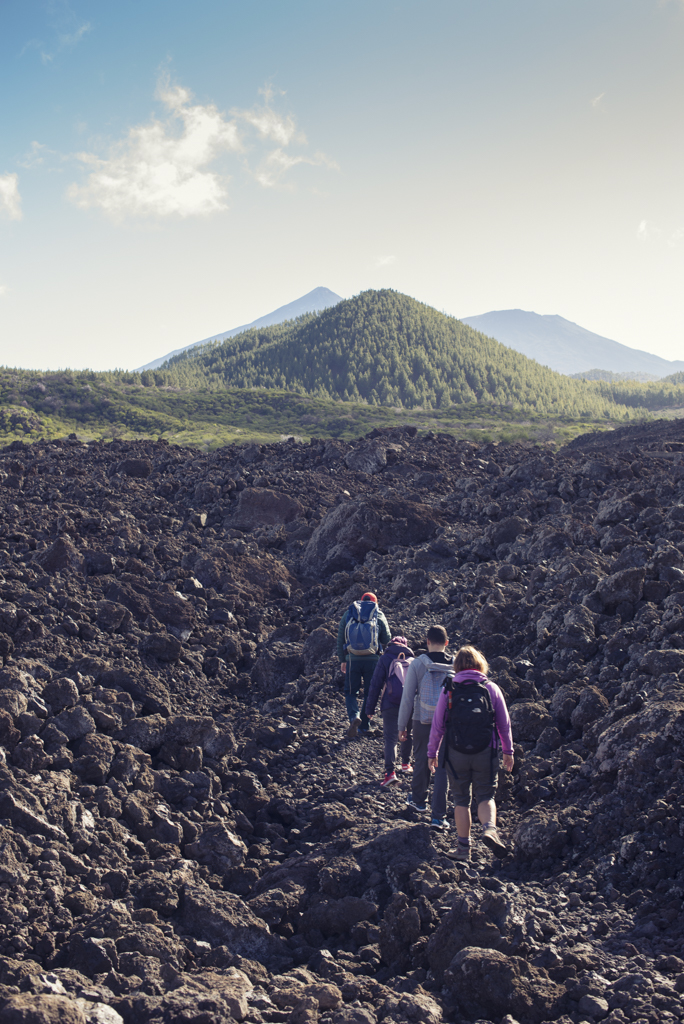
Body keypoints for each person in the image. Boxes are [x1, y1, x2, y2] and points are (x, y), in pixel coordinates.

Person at [428, 644, 514, 862]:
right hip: (486, 750)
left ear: (456, 666)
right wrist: (508, 751)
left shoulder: (449, 688)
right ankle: (489, 829)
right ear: (480, 664)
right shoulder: (491, 688)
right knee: (485, 795)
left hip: (455, 753)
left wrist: (432, 752)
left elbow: (438, 724)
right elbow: (504, 724)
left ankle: (463, 848)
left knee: (461, 800)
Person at [398, 625, 453, 827]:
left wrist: (402, 725)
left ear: (427, 641)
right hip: (448, 723)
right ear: (447, 643)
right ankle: (439, 816)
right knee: (442, 767)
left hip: (422, 720)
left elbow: (407, 697)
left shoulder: (418, 664)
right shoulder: (456, 664)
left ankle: (418, 801)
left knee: (421, 759)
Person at [337, 591, 390, 739]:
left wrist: (343, 659)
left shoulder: (350, 613)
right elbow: (386, 638)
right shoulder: (378, 614)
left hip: (352, 659)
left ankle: (354, 716)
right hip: (372, 660)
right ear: (375, 602)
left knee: (350, 691)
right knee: (369, 692)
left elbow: (340, 637)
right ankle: (364, 726)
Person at [365, 635, 415, 787]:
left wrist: (370, 708)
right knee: (408, 732)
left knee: (390, 738)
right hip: (410, 703)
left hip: (390, 703)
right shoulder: (414, 660)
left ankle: (390, 773)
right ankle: (406, 764)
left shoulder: (385, 658)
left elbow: (375, 685)